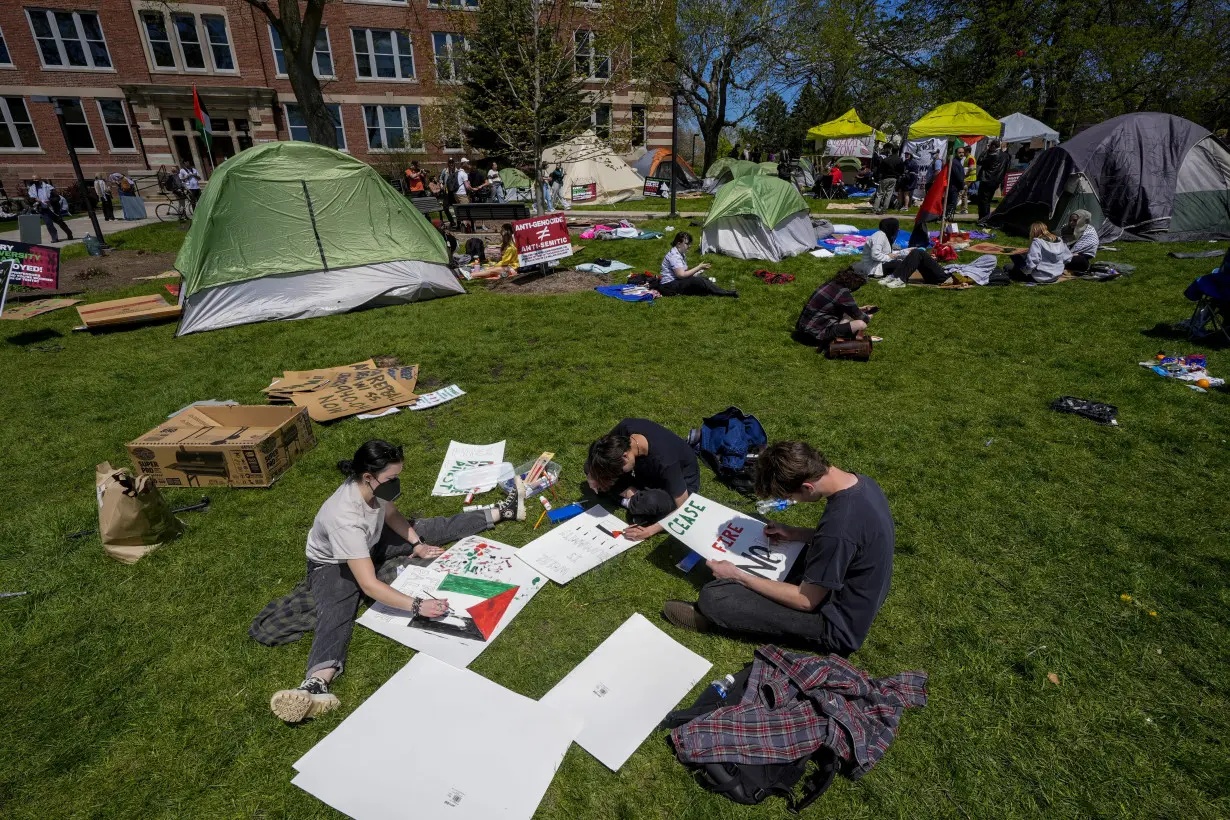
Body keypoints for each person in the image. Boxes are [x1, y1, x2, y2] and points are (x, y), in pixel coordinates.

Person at [266, 440, 527, 722]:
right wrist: (417, 606)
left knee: (427, 528)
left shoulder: (372, 488)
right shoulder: (344, 518)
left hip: (371, 542)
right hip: (333, 564)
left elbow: (389, 513)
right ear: (368, 477)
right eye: (391, 478)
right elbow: (368, 585)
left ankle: (502, 511)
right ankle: (315, 684)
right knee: (338, 605)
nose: (395, 483)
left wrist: (415, 543)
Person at [662, 440, 894, 656]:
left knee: (715, 596)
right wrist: (795, 533)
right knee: (761, 538)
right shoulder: (859, 483)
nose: (793, 502)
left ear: (807, 487)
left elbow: (806, 600)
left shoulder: (839, 527)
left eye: (790, 496)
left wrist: (739, 576)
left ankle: (714, 616)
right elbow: (846, 539)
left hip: (836, 623)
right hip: (858, 585)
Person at [584, 419, 701, 541]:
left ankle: (631, 500)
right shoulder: (625, 429)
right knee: (591, 468)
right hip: (647, 474)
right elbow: (601, 453)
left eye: (618, 471)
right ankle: (631, 499)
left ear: (625, 456)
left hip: (679, 489)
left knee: (648, 501)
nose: (617, 474)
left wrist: (649, 531)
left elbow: (683, 508)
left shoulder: (667, 461)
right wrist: (593, 476)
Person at [793, 267, 878, 348]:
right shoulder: (843, 294)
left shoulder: (832, 283)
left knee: (848, 314)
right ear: (855, 283)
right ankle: (831, 342)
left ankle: (834, 336)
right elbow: (863, 318)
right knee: (861, 324)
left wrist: (859, 309)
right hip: (816, 336)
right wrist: (868, 316)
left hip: (803, 330)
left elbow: (839, 307)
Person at [856, 218, 951, 288]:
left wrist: (900, 253)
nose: (898, 230)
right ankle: (897, 277)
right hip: (874, 266)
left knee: (915, 254)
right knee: (916, 253)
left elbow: (887, 254)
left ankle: (898, 277)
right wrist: (891, 256)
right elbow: (877, 254)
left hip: (942, 277)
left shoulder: (883, 236)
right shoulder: (880, 236)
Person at [659, 231, 737, 297]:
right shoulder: (674, 256)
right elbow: (681, 275)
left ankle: (718, 291)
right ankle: (725, 293)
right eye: (687, 244)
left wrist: (697, 271)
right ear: (679, 244)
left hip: (674, 282)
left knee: (702, 280)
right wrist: (698, 267)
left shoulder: (680, 253)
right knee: (699, 281)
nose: (689, 246)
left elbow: (682, 273)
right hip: (669, 286)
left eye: (690, 243)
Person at [1007, 222, 1072, 284]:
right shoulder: (1060, 241)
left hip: (1038, 278)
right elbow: (1068, 258)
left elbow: (1033, 262)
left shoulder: (1037, 241)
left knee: (1013, 258)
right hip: (1055, 276)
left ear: (1033, 231)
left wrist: (1026, 272)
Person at [27, 176, 73, 242]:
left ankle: (69, 233)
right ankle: (54, 238)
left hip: (52, 208)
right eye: (33, 181)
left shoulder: (49, 187)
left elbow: (57, 198)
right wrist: (35, 199)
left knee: (60, 222)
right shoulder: (32, 189)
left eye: (36, 181)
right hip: (43, 209)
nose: (35, 183)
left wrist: (50, 201)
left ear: (40, 180)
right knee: (49, 224)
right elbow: (29, 199)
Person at [975, 140, 1009, 224]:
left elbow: (980, 161)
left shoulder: (992, 155)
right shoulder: (1006, 156)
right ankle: (985, 218)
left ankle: (983, 218)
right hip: (996, 181)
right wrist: (1000, 181)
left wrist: (985, 151)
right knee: (987, 200)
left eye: (990, 146)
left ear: (993, 146)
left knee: (983, 200)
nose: (989, 147)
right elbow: (1005, 169)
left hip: (987, 179)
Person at [873, 145, 904, 214]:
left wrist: (879, 177)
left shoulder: (886, 159)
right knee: (888, 195)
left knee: (880, 194)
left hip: (885, 177)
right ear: (898, 151)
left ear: (891, 151)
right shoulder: (900, 160)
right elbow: (902, 170)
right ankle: (884, 209)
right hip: (894, 178)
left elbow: (880, 170)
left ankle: (875, 209)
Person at [438, 158, 461, 228]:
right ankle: (452, 221)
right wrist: (441, 184)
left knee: (457, 208)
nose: (451, 164)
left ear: (454, 163)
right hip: (447, 192)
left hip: (454, 192)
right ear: (448, 163)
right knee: (445, 207)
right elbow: (441, 178)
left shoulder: (457, 171)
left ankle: (459, 223)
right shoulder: (445, 171)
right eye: (450, 163)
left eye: (452, 163)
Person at [959, 147, 977, 214]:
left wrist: (966, 174)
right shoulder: (968, 158)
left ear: (967, 151)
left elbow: (971, 168)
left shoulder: (970, 158)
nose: (963, 153)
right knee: (964, 194)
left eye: (964, 151)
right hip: (969, 178)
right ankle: (964, 209)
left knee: (960, 192)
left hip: (969, 178)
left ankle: (951, 208)